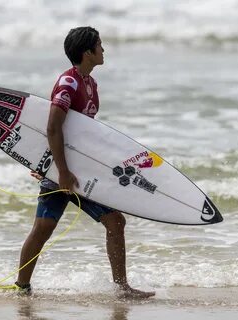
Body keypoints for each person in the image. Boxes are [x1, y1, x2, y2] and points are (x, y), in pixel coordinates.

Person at [15, 26, 155, 299]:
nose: (104, 50)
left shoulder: (90, 84)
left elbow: (85, 134)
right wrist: (59, 171)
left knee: (115, 222)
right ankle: (22, 288)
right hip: (65, 174)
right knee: (43, 229)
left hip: (82, 172)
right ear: (87, 52)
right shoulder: (69, 83)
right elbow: (53, 128)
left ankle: (122, 288)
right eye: (100, 45)